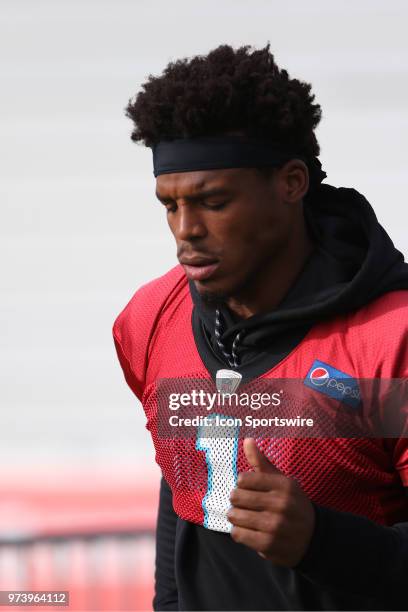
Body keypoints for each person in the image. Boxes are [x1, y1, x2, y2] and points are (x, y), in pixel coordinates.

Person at [112, 44, 408, 611]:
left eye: (213, 202)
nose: (186, 230)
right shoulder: (151, 319)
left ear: (291, 182)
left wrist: (324, 541)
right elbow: (182, 490)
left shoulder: (389, 340)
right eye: (169, 206)